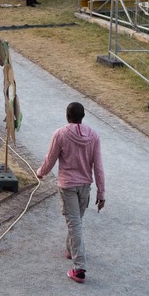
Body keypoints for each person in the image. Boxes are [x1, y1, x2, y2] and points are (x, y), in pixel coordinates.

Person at [37, 102, 106, 284]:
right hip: (85, 186)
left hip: (68, 185)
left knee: (74, 223)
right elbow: (98, 167)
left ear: (67, 116)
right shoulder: (94, 136)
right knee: (76, 221)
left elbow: (50, 159)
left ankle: (79, 268)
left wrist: (40, 172)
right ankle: (70, 249)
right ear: (83, 116)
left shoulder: (60, 134)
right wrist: (101, 192)